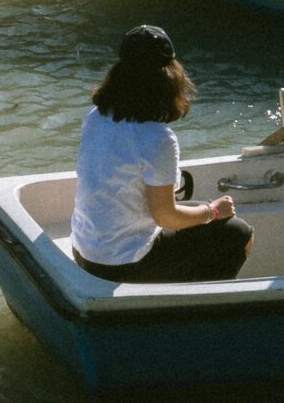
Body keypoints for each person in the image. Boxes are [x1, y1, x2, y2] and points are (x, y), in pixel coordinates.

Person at [70, 24, 253, 282]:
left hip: (85, 252)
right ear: (168, 79)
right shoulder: (157, 139)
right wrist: (213, 211)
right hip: (124, 265)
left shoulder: (96, 117)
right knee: (238, 232)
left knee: (199, 213)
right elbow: (166, 217)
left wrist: (205, 211)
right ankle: (196, 305)